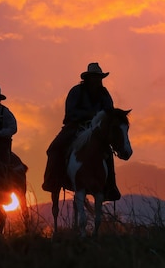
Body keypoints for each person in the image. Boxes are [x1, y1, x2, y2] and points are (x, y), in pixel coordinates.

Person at [42, 62, 121, 201]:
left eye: (99, 77)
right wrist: (91, 114)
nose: (97, 80)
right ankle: (52, 181)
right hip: (75, 126)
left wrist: (100, 119)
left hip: (96, 129)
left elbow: (109, 111)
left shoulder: (104, 94)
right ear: (88, 78)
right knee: (54, 148)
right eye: (94, 77)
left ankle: (111, 186)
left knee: (108, 152)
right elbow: (71, 111)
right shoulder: (76, 91)